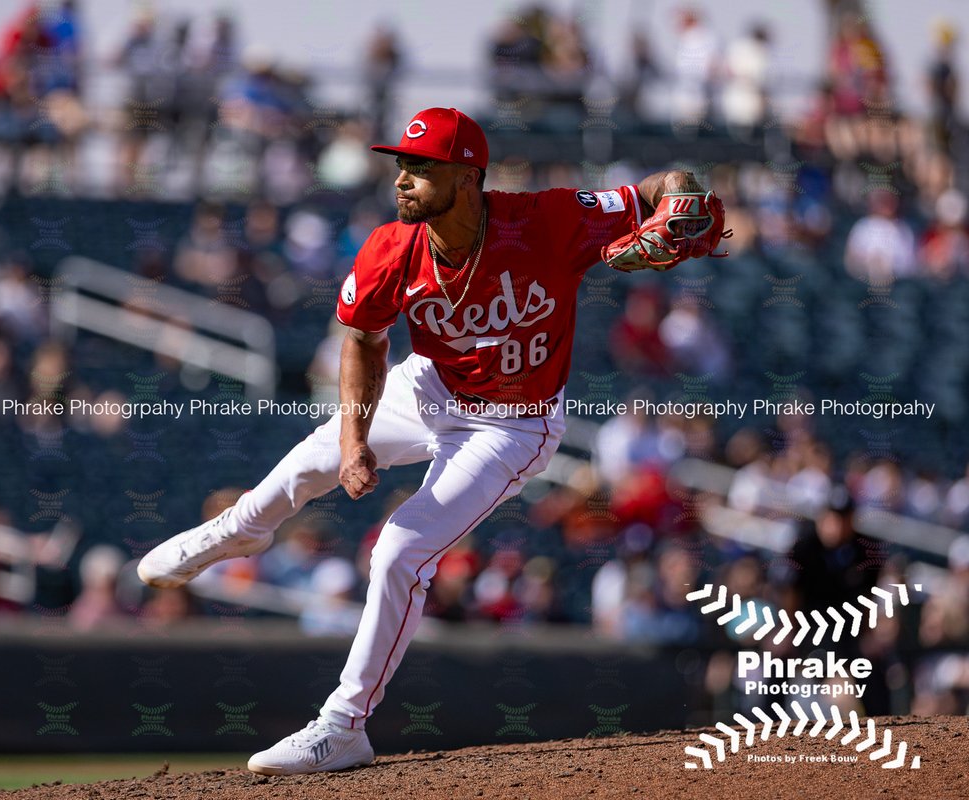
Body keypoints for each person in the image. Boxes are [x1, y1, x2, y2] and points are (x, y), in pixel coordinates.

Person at [138, 107, 723, 775]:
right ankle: (241, 528)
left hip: (514, 422)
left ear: (468, 177)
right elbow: (362, 341)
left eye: (422, 166)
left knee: (397, 551)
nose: (404, 178)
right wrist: (356, 439)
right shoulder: (392, 247)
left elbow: (670, 185)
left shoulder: (548, 219)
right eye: (402, 165)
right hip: (431, 387)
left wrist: (681, 198)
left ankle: (343, 727)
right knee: (316, 457)